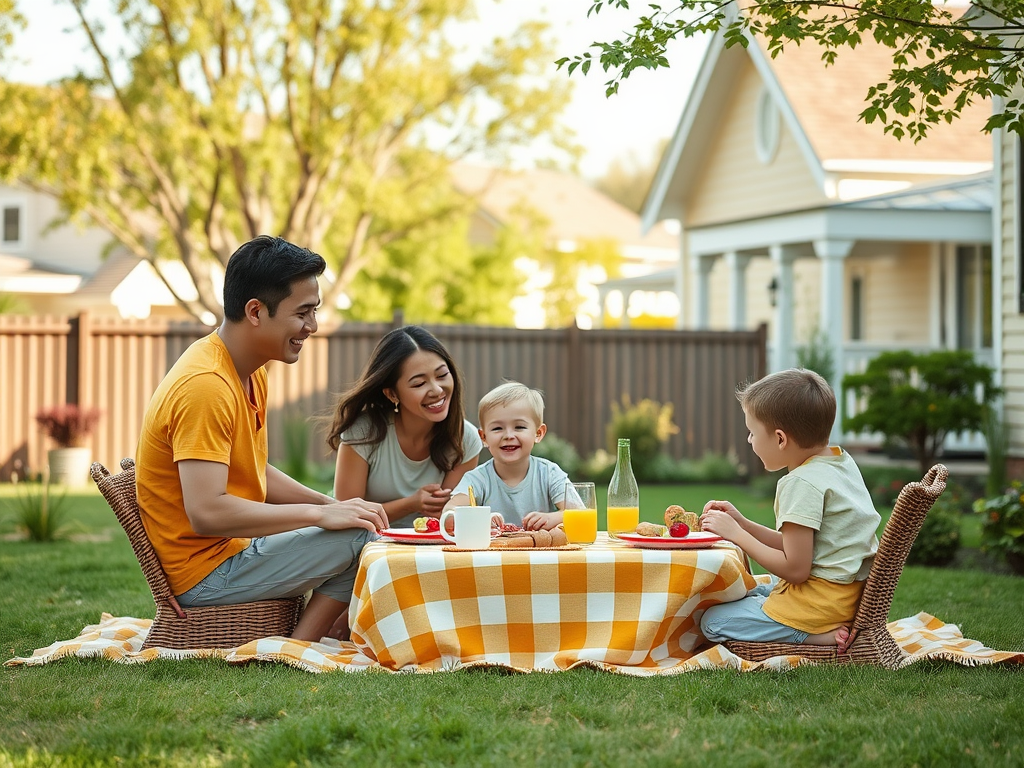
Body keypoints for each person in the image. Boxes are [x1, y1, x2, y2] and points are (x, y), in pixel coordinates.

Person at [135, 236, 387, 643]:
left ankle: (308, 639)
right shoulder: (206, 386)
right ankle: (297, 647)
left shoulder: (249, 372)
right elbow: (207, 512)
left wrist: (332, 504)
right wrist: (318, 516)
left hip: (232, 553)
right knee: (360, 536)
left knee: (354, 522)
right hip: (206, 575)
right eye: (303, 312)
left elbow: (254, 470)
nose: (313, 326)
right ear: (255, 311)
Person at [698, 368, 880, 654]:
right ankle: (806, 625)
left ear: (781, 439)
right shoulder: (838, 463)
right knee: (756, 586)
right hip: (841, 596)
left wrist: (737, 536)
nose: (749, 440)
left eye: (752, 432)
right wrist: (742, 523)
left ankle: (815, 637)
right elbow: (797, 546)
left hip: (819, 609)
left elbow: (795, 570)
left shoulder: (800, 483)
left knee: (711, 620)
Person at [328, 325, 482, 529]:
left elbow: (447, 519)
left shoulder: (465, 438)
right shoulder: (363, 432)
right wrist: (411, 504)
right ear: (392, 394)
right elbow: (346, 515)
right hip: (363, 542)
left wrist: (445, 509)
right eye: (419, 384)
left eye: (442, 375)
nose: (437, 390)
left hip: (432, 546)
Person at [443, 381, 569, 530]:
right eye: (497, 428)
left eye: (519, 427)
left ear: (538, 433)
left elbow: (580, 512)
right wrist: (481, 519)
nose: (508, 435)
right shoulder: (477, 479)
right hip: (491, 553)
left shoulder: (549, 473)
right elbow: (448, 515)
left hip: (540, 552)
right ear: (483, 437)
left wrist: (551, 518)